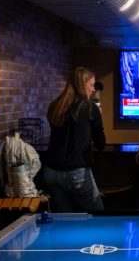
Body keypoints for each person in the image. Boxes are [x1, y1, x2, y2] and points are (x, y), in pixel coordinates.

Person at [41, 66, 106, 212]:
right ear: (82, 85)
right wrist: (98, 117)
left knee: (65, 220)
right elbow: (101, 144)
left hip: (51, 172)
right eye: (91, 85)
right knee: (98, 215)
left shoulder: (56, 106)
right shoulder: (90, 108)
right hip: (76, 173)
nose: (93, 89)